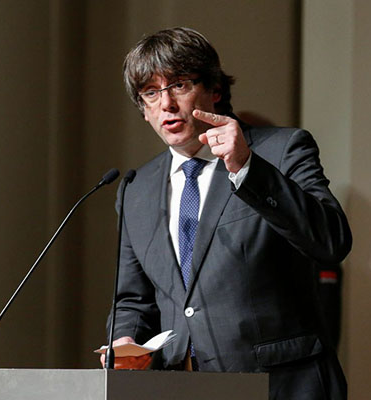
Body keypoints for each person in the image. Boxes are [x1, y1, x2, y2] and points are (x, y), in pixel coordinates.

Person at [102, 27, 352, 399]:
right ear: (143, 109)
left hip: (280, 385)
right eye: (151, 92)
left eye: (179, 85)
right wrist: (125, 341)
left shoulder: (281, 151)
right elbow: (133, 299)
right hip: (182, 387)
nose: (166, 104)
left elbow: (331, 241)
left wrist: (248, 168)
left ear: (215, 89)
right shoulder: (136, 188)